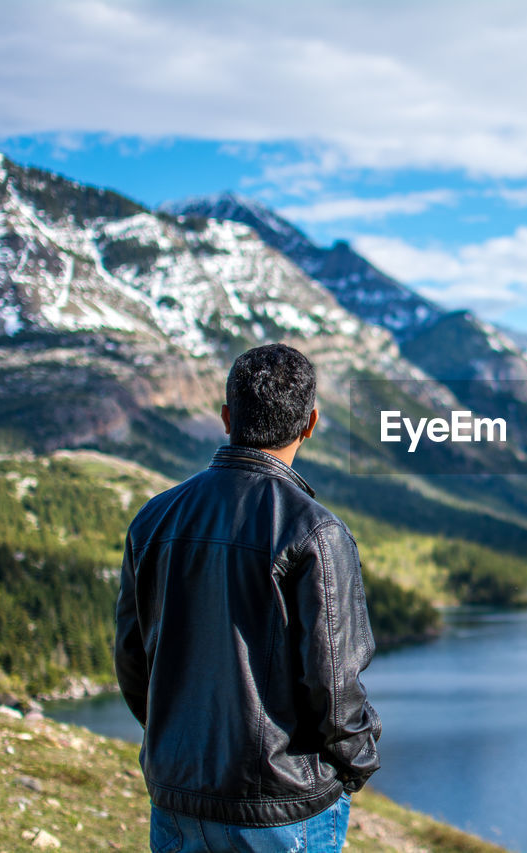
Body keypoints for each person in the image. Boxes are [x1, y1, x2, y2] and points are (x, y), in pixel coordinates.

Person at [115, 343, 381, 853]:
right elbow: (333, 684)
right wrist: (357, 762)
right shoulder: (316, 532)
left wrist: (176, 743)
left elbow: (132, 658)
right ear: (311, 423)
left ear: (226, 416)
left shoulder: (155, 517)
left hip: (177, 794)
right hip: (280, 805)